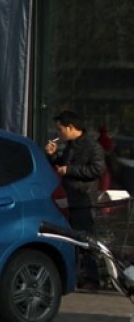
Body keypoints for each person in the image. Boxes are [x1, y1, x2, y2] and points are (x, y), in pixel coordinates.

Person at [47, 110, 106, 290]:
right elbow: (61, 167)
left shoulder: (92, 146)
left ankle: (92, 278)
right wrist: (53, 156)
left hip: (84, 200)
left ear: (71, 127)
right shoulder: (70, 146)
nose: (59, 134)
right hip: (70, 199)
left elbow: (97, 169)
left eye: (60, 129)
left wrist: (70, 170)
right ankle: (76, 275)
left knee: (86, 240)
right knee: (71, 240)